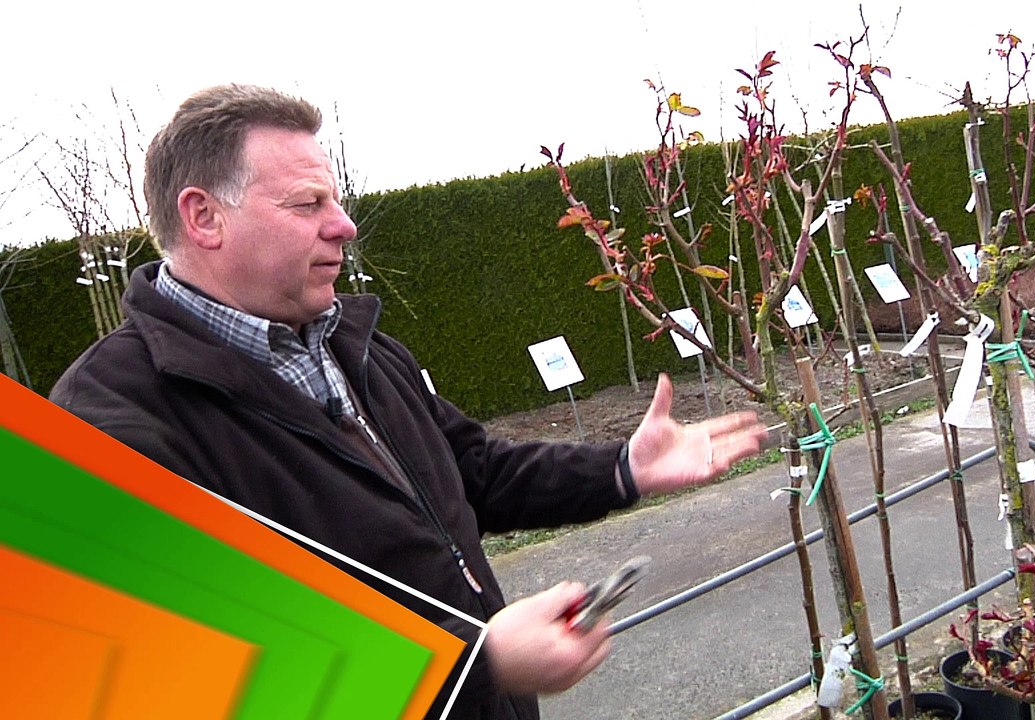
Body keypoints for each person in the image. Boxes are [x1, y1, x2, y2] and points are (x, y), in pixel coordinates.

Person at [49, 84, 767, 720]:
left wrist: (621, 470)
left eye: (334, 200)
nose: (344, 225)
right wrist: (470, 670)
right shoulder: (107, 421)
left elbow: (471, 472)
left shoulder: (351, 343)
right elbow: (191, 668)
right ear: (203, 217)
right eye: (307, 204)